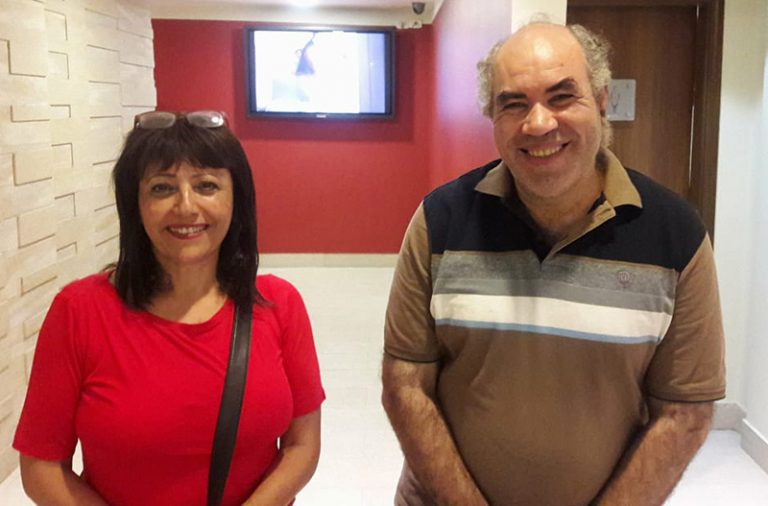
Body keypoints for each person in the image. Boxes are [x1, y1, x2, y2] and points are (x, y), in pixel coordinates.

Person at [381, 22, 725, 506]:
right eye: (513, 103)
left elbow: (685, 412)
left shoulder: (676, 236)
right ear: (492, 117)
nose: (539, 124)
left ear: (601, 101)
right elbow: (405, 385)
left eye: (562, 97)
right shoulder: (440, 221)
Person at [13, 110, 325, 506]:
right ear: (135, 204)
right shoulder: (79, 312)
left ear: (237, 198)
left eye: (207, 185)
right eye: (162, 188)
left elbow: (302, 445)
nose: (186, 207)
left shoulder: (280, 304)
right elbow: (41, 467)